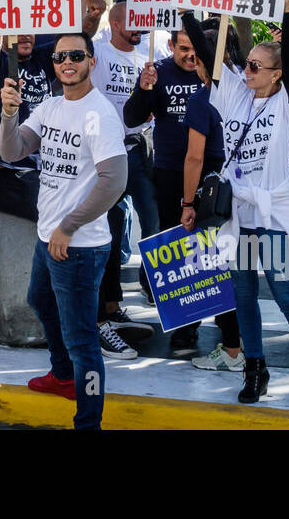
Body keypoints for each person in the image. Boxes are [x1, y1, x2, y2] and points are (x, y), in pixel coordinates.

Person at [179, 0, 289, 413]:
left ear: (276, 74)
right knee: (243, 294)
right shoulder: (233, 94)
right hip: (238, 215)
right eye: (246, 63)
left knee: (285, 294)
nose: (245, 69)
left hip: (274, 212)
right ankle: (255, 368)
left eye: (255, 65)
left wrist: (286, 10)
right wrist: (186, 8)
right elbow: (210, 55)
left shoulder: (288, 101)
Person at [0, 32, 127, 430]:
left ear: (90, 59)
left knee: (84, 341)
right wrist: (7, 114)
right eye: (59, 57)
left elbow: (115, 180)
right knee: (40, 300)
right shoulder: (52, 107)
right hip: (49, 237)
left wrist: (68, 227)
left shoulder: (100, 114)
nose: (66, 62)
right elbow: (12, 151)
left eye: (75, 55)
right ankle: (62, 375)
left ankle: (88, 420)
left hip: (79, 246)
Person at [123, 22, 204, 345]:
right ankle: (184, 324)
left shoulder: (212, 73)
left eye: (194, 49)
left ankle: (207, 315)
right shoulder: (156, 72)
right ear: (171, 46)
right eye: (183, 49)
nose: (190, 56)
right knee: (172, 248)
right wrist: (143, 90)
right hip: (169, 172)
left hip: (208, 173)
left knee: (203, 251)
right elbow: (132, 118)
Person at [87, 2, 155, 358]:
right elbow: (81, 38)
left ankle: (149, 286)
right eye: (132, 21)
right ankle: (106, 311)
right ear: (114, 23)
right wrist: (88, 6)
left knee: (154, 222)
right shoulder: (96, 51)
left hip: (140, 149)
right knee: (108, 233)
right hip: (106, 154)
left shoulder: (149, 52)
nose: (140, 27)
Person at [183, 27, 244, 372]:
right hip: (250, 194)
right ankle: (243, 345)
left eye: (197, 53)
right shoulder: (250, 87)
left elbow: (194, 157)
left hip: (218, 201)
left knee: (218, 272)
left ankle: (232, 350)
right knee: (243, 274)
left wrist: (187, 204)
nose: (192, 59)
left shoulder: (203, 98)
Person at [0, 33, 60, 223]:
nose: (25, 34)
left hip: (44, 170)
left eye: (30, 27)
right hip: (9, 176)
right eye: (18, 27)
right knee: (58, 216)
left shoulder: (41, 59)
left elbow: (75, 31)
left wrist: (90, 12)